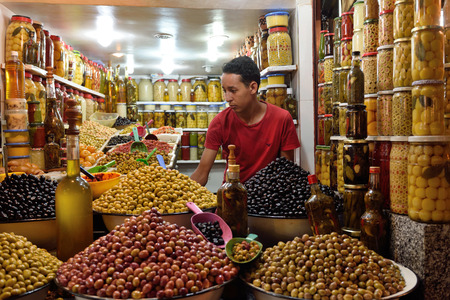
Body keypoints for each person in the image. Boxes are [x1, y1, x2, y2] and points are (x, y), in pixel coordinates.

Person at [190, 56, 300, 185]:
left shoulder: (282, 119)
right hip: (232, 197)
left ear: (252, 88)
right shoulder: (220, 122)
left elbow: (286, 172)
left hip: (268, 198)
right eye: (225, 91)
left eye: (233, 90)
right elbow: (202, 172)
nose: (227, 98)